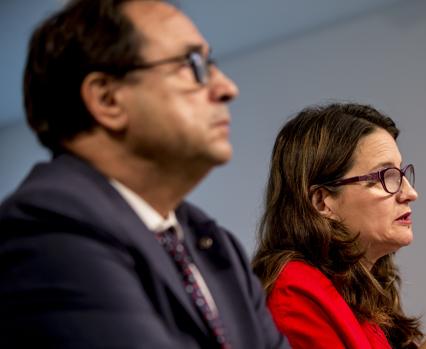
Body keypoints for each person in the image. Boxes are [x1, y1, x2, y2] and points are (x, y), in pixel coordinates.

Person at [0, 0, 288, 348]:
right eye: (193, 64)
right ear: (108, 100)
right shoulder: (47, 226)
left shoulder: (214, 243)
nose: (227, 88)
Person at [252, 103, 426, 348]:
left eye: (402, 173)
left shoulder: (360, 292)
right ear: (322, 201)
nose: (410, 193)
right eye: (385, 176)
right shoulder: (295, 291)